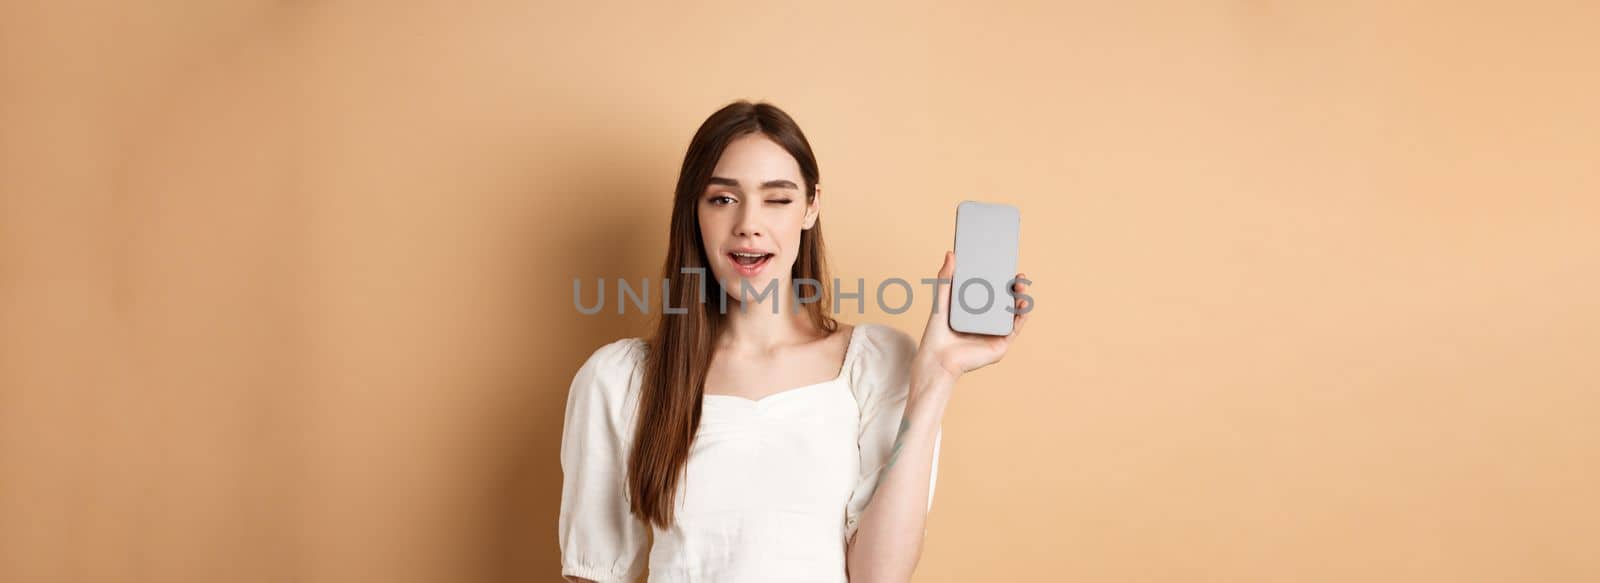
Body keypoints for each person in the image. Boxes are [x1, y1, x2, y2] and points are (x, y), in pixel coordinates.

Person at [558, 100, 1031, 582]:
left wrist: (936, 377)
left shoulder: (877, 363)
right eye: (722, 198)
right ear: (693, 211)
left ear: (811, 207)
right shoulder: (620, 380)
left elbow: (879, 576)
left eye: (777, 199)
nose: (748, 223)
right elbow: (593, 574)